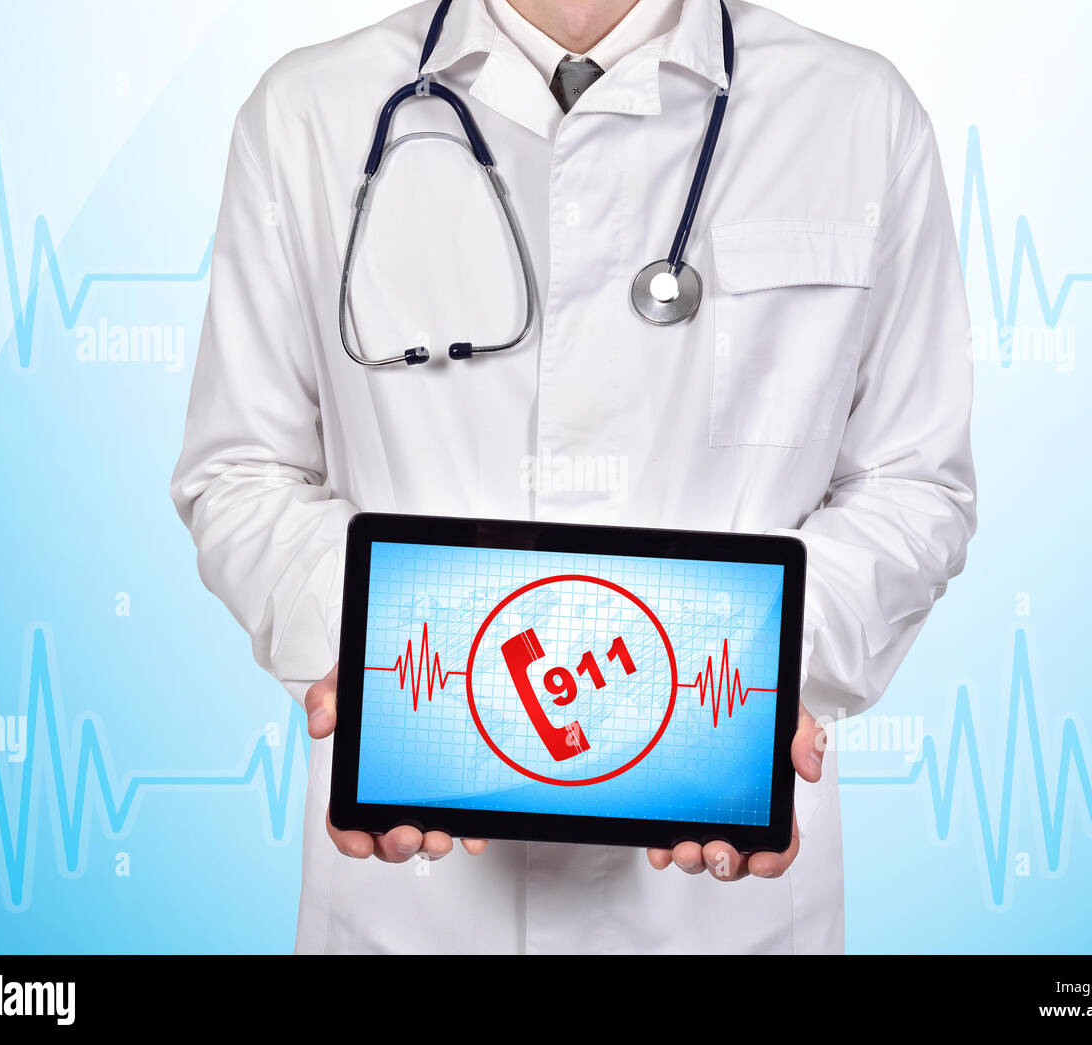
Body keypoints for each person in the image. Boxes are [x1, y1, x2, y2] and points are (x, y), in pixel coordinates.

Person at [171, 0, 975, 954]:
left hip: (718, 911)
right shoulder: (307, 113)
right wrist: (396, 676)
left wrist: (741, 685)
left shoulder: (857, 115)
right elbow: (243, 470)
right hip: (413, 907)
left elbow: (914, 485)